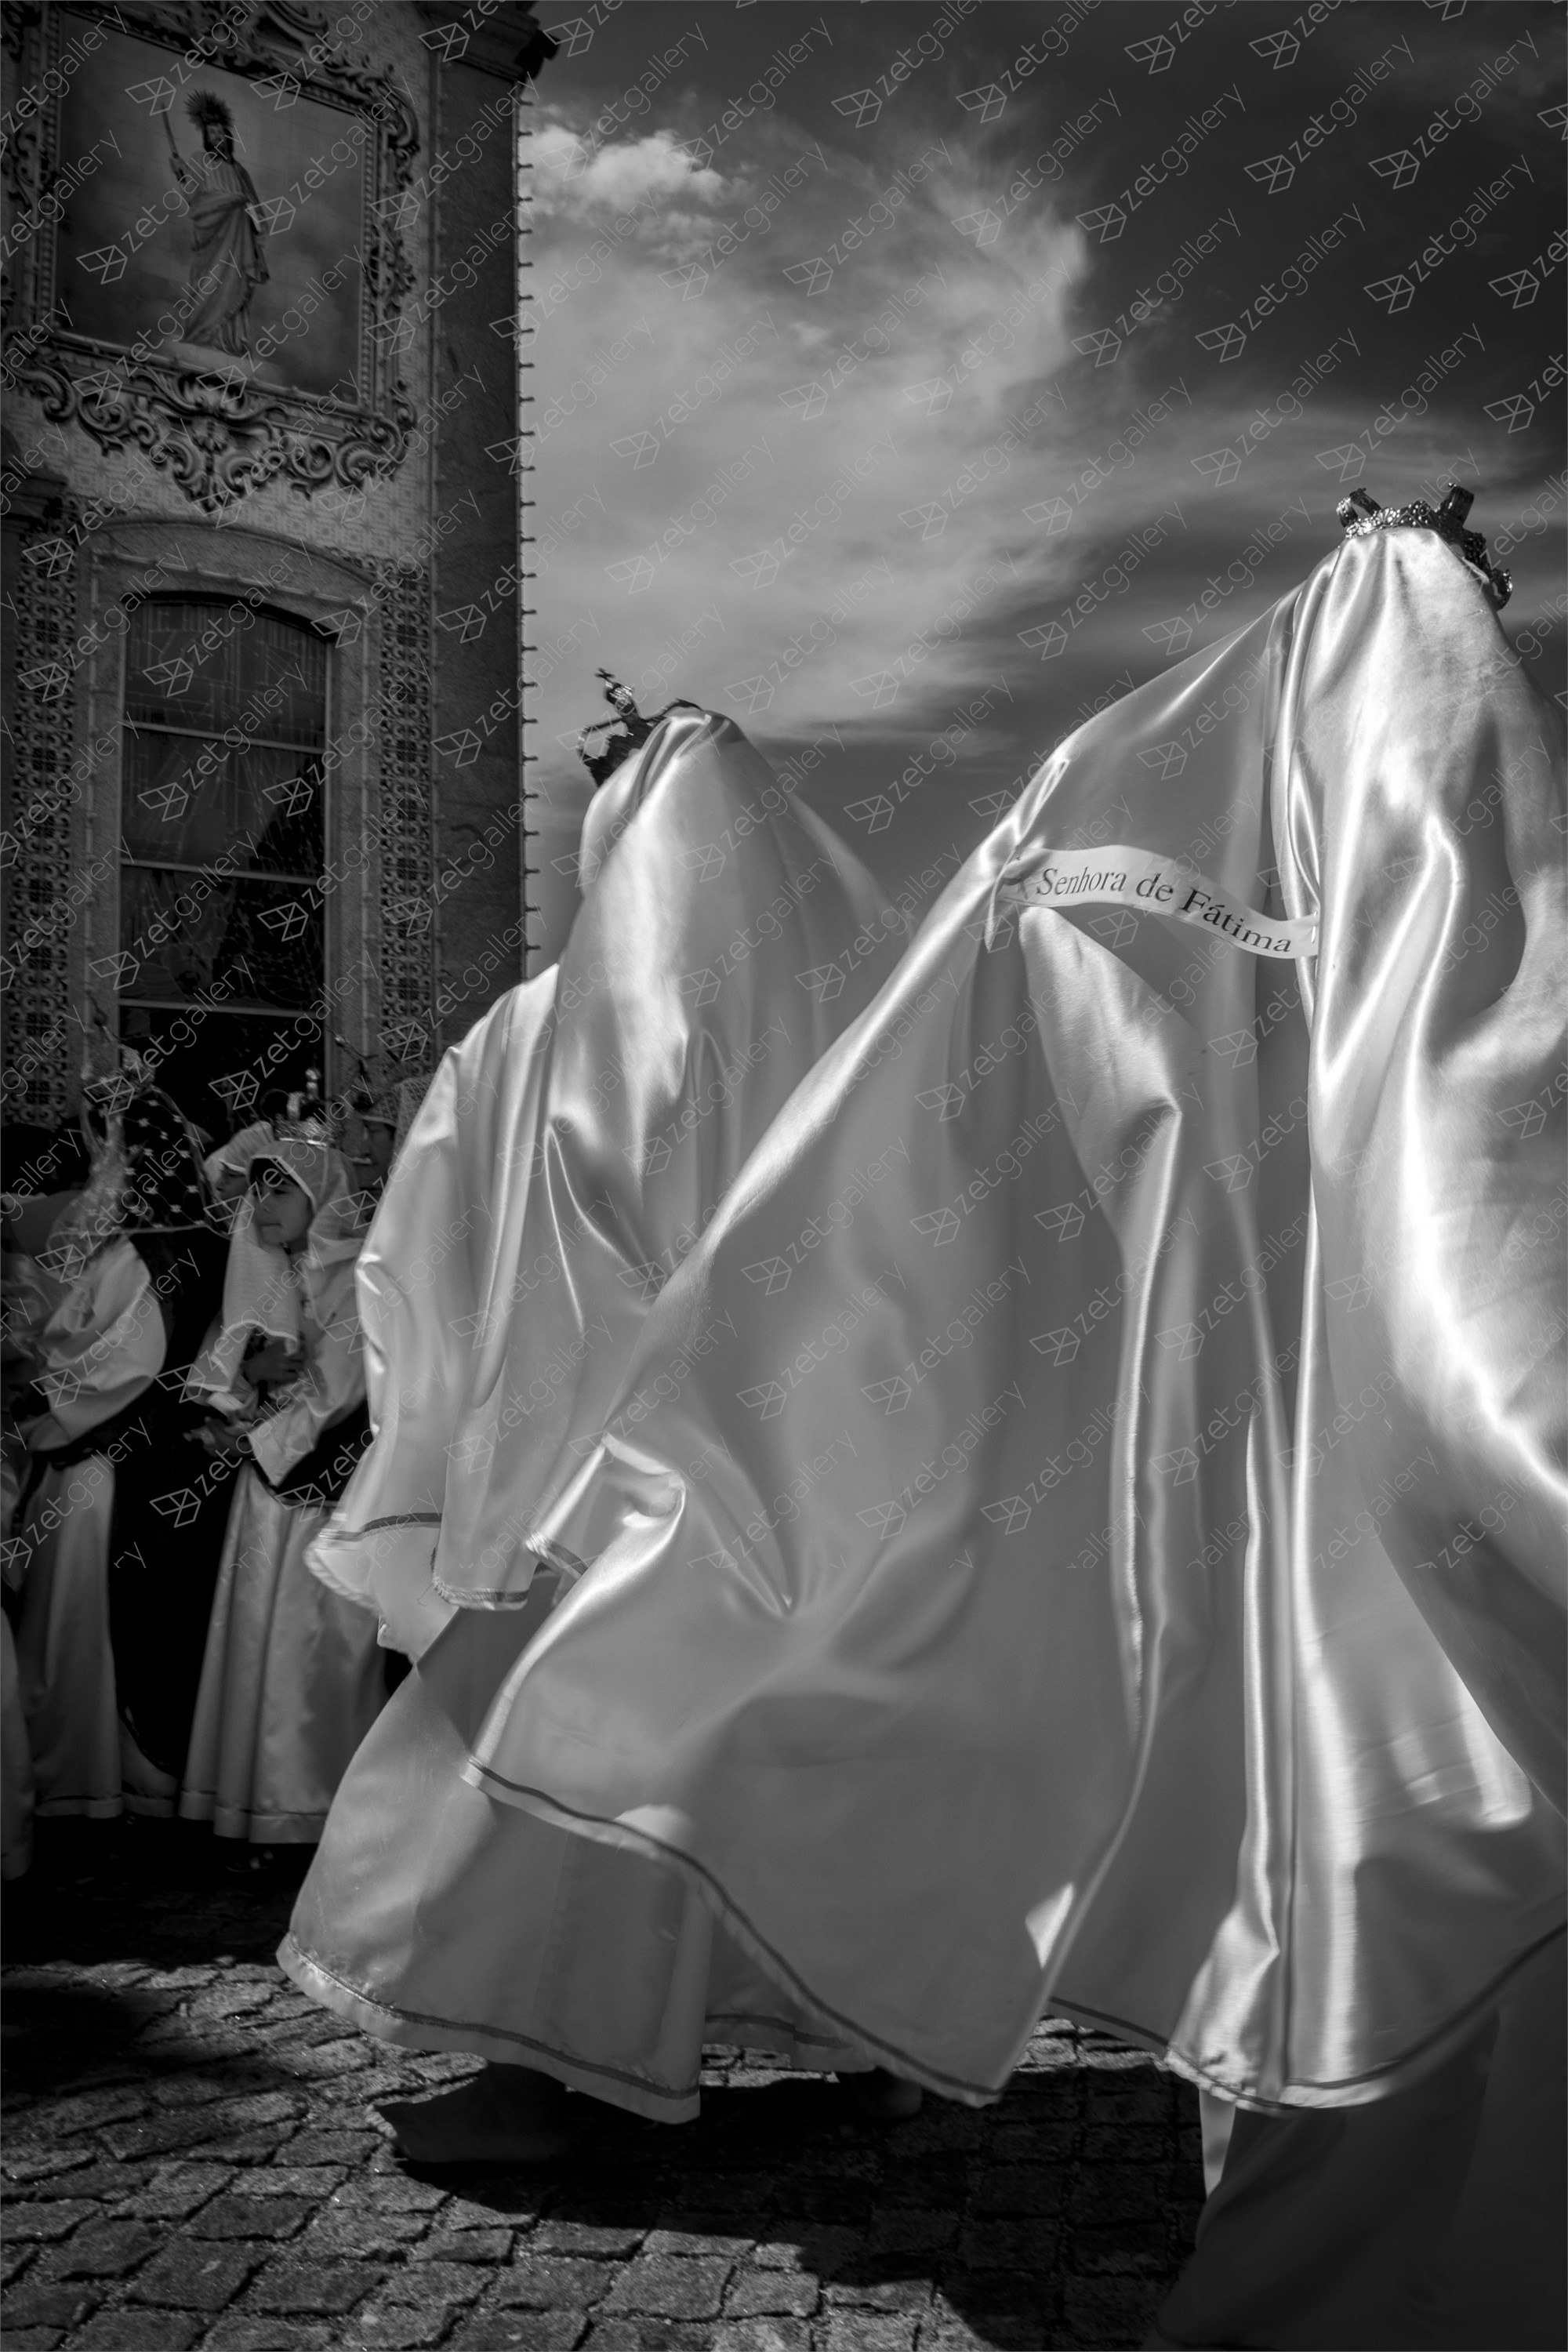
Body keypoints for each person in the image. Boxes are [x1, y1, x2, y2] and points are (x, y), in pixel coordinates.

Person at [282, 495, 1563, 2311]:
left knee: (666, 1725)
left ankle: (596, 2056)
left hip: (637, 1454)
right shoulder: (915, 996)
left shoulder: (591, 1036)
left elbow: (505, 1252)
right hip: (1171, 1517)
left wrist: (501, 1439)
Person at [283, 703, 917, 2149]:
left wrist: (435, 1446)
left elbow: (419, 1259)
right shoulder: (842, 1025)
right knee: (784, 1753)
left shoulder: (529, 1028)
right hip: (784, 1491)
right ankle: (863, 2033)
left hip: (571, 1497)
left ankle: (545, 2064)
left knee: (554, 1768)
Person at [12, 1085, 234, 1814]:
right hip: (135, 1460)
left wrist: (34, 1403)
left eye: (103, 1150)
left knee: (83, 1626)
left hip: (110, 1465)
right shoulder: (162, 1240)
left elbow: (119, 1367)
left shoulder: (152, 1252)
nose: (92, 1163)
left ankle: (81, 1780)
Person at [180, 1136, 385, 1846]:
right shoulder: (266, 1275)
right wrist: (241, 1390)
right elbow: (220, 1367)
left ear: (320, 1199)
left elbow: (339, 1392)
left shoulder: (360, 1278)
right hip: (266, 1486)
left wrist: (257, 1426)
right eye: (257, 1190)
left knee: (309, 1642)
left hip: (321, 1488)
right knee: (252, 1640)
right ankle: (247, 1803)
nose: (262, 1207)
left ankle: (309, 1808)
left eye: (281, 1192)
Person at [162, 90, 269, 358]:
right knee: (208, 287)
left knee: (234, 286)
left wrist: (251, 220)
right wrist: (180, 172)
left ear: (228, 136)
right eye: (212, 134)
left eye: (221, 132)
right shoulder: (201, 161)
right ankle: (202, 334)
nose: (217, 137)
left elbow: (257, 209)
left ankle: (230, 341)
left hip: (238, 240)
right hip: (212, 241)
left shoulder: (239, 171)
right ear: (206, 138)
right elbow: (192, 196)